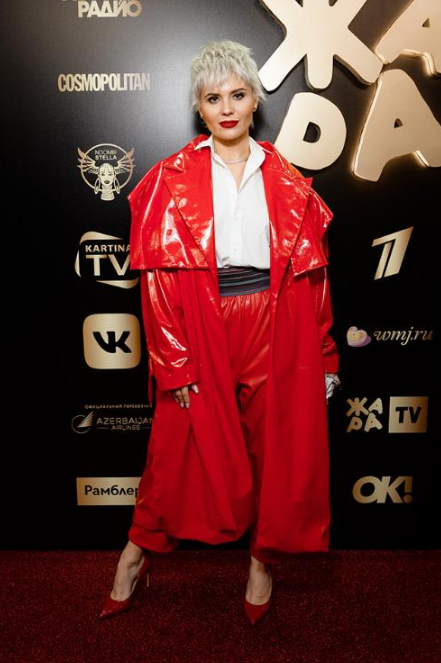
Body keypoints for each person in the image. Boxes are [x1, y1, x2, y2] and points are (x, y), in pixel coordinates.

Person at [99, 40, 340, 625]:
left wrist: (326, 356)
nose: (226, 108)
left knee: (276, 454)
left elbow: (313, 278)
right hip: (200, 320)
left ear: (255, 100)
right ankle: (135, 556)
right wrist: (174, 361)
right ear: (198, 107)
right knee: (173, 451)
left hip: (277, 321)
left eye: (237, 95)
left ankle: (262, 565)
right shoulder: (168, 180)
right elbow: (157, 284)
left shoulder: (290, 180)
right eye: (213, 98)